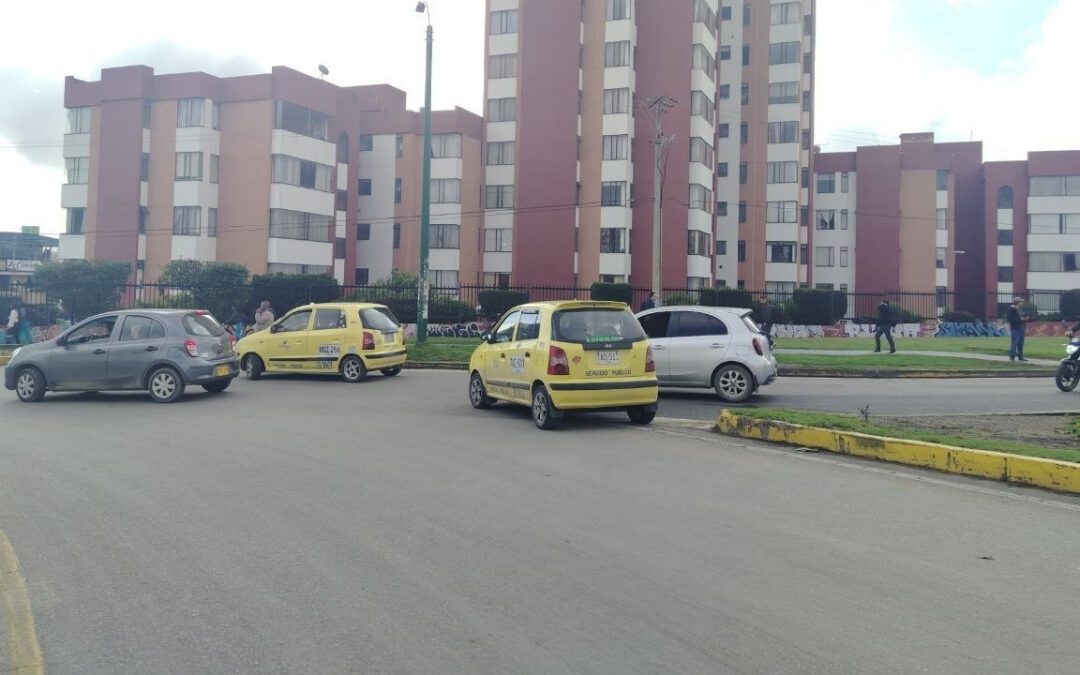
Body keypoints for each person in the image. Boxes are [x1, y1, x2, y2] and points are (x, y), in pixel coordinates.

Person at [1006, 297, 1030, 362]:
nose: (1022, 303)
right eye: (1021, 302)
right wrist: (1020, 319)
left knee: (1021, 343)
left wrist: (1025, 319)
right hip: (1015, 329)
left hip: (1022, 328)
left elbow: (1022, 318)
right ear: (1017, 302)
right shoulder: (1012, 310)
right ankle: (1012, 356)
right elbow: (1010, 319)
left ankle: (1020, 356)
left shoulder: (1020, 310)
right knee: (1014, 343)